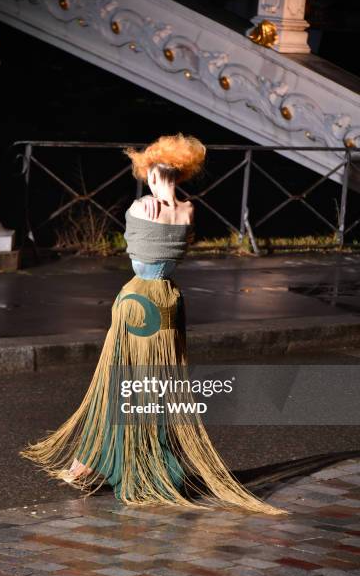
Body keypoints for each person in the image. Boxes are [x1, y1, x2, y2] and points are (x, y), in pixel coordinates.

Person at [19, 133, 287, 515]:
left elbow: (133, 247)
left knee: (120, 382)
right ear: (180, 173)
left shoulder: (140, 208)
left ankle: (97, 460)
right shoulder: (189, 211)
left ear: (149, 172)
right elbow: (178, 245)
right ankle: (144, 460)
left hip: (137, 300)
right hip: (169, 299)